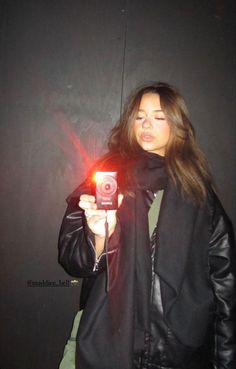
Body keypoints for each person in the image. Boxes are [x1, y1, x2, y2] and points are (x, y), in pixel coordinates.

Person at [58, 82, 236, 369]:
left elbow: (224, 283)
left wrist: (225, 360)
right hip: (108, 341)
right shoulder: (106, 179)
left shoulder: (197, 191)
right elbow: (73, 261)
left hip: (176, 351)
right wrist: (98, 235)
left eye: (158, 116)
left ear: (176, 125)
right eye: (140, 116)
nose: (146, 125)